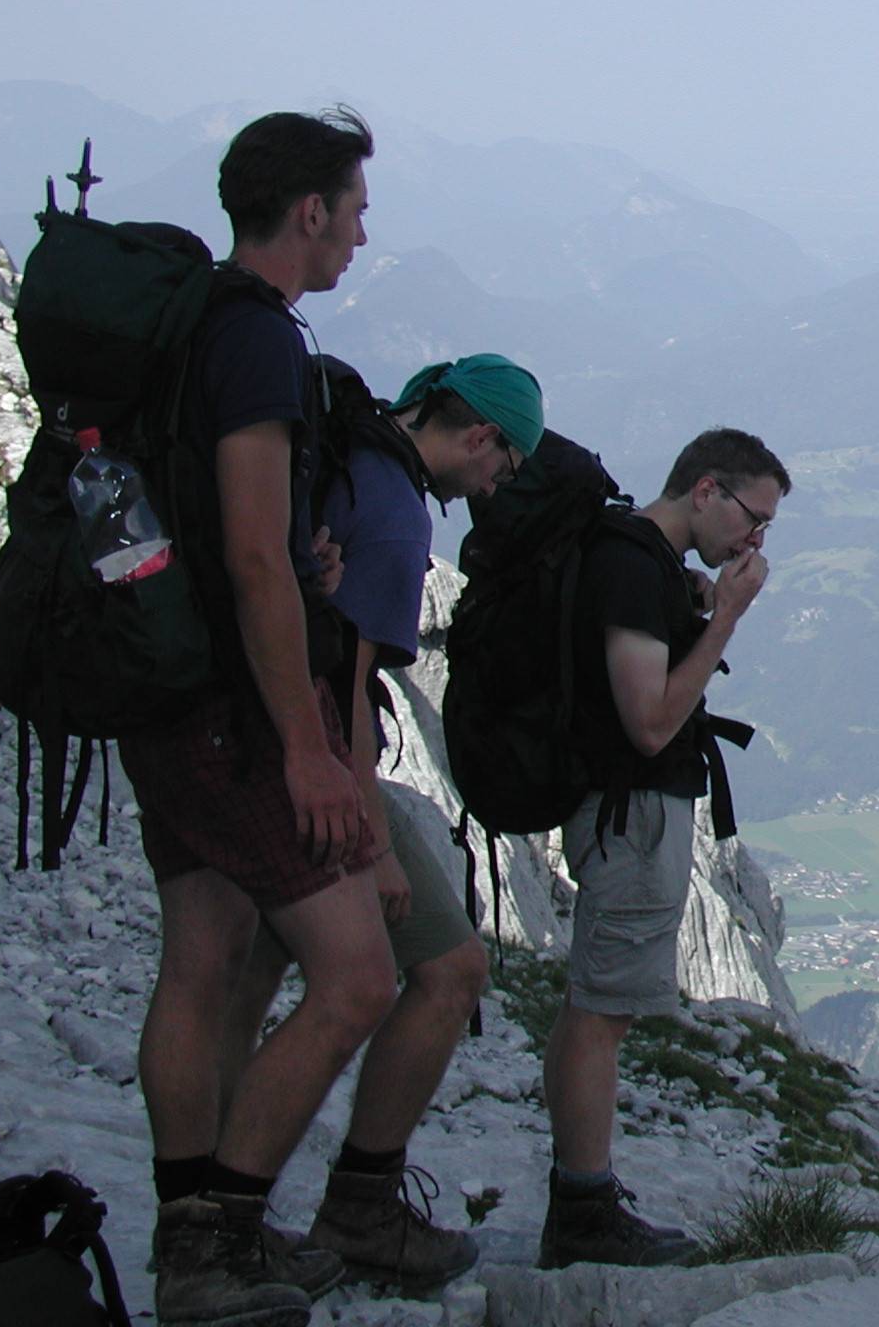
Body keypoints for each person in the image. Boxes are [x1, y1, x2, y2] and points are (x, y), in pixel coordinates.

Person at [119, 109, 392, 1327]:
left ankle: (192, 1227)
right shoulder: (260, 340)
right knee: (357, 979)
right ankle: (217, 1240)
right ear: (310, 210)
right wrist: (308, 751)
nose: (361, 236)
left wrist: (296, 557)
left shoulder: (188, 319)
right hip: (234, 710)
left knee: (204, 960)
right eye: (355, 211)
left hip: (159, 681)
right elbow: (246, 557)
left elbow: (233, 529)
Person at [215, 354, 544, 1295]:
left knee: (245, 974)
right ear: (479, 435)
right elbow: (346, 688)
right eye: (506, 463)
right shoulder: (398, 513)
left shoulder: (345, 452)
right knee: (449, 969)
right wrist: (368, 837)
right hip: (313, 761)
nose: (496, 484)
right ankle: (346, 1207)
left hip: (232, 741)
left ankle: (204, 1209)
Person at [538, 428, 789, 1269]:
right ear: (706, 489)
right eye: (752, 517)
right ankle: (582, 1211)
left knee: (593, 1007)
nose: (755, 540)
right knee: (602, 1013)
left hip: (626, 806)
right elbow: (649, 722)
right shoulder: (634, 567)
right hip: (633, 811)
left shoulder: (641, 559)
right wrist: (726, 620)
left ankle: (581, 1194)